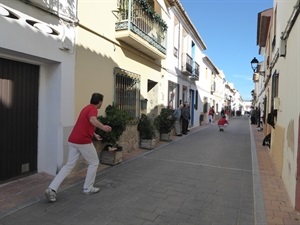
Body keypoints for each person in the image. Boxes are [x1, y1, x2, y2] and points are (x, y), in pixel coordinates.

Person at [45, 93, 112, 203]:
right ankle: (87, 188)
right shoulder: (93, 109)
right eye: (101, 102)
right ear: (99, 102)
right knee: (94, 162)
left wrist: (94, 134)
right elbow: (92, 120)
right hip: (82, 141)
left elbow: (85, 123)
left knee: (68, 166)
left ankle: (51, 189)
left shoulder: (86, 108)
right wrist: (103, 127)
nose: (101, 104)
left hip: (73, 140)